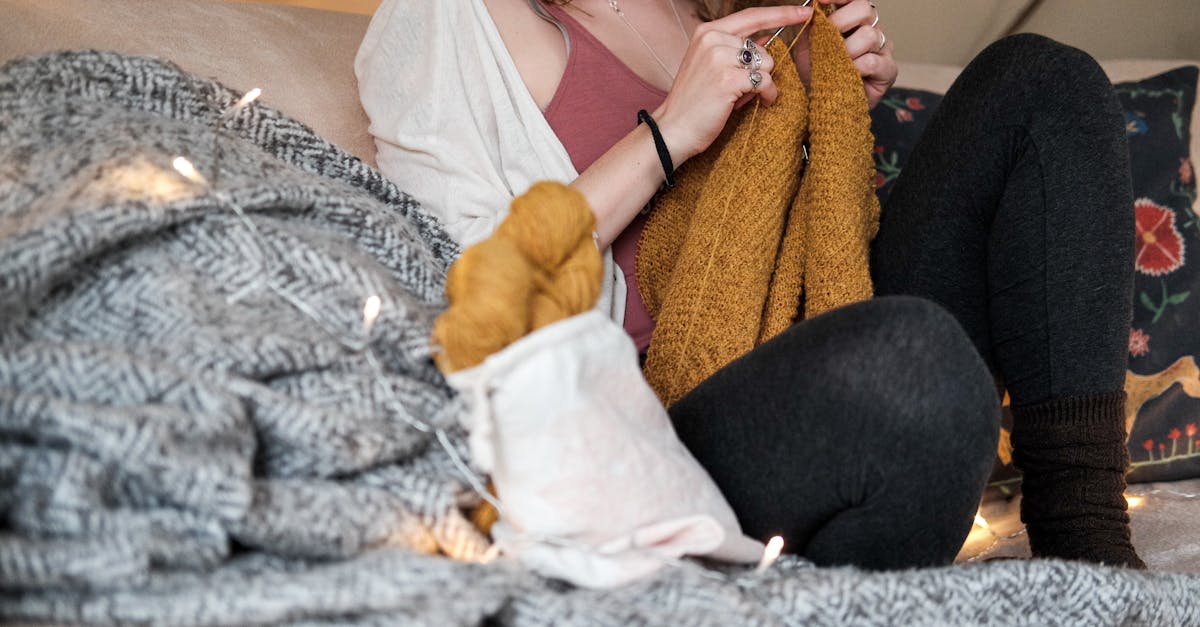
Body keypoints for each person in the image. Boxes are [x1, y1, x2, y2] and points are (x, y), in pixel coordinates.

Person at [356, 0, 1144, 569]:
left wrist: (825, 115)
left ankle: (1086, 539)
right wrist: (669, 133)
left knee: (1041, 80)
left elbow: (795, 250)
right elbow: (465, 283)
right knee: (914, 362)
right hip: (665, 437)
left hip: (814, 350)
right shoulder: (447, 18)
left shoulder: (718, 9)